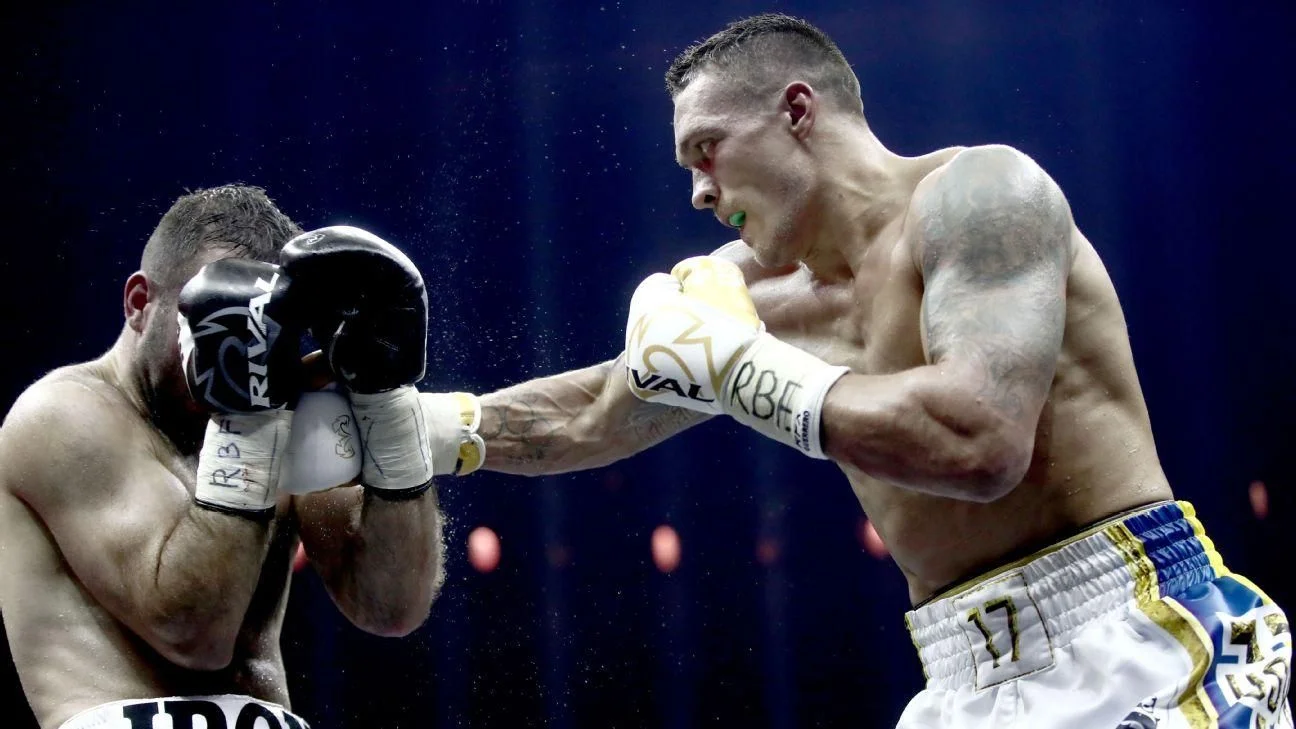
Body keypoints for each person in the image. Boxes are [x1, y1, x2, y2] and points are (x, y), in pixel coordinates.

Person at [423, 14, 1293, 728]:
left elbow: (981, 440)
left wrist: (743, 372)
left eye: (707, 149)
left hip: (1133, 632)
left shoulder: (983, 196)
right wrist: (431, 427)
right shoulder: (759, 304)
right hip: (959, 678)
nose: (698, 191)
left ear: (797, 110)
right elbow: (599, 409)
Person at [0, 185, 476, 729]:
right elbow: (193, 636)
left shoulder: (287, 409)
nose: (241, 349)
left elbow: (389, 606)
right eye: (208, 324)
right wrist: (248, 420)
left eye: (266, 331)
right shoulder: (62, 415)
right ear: (139, 303)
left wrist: (385, 403)